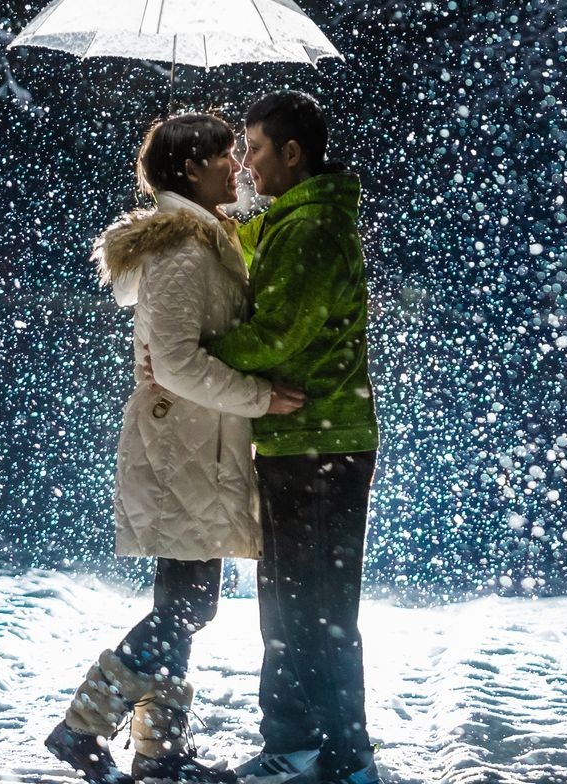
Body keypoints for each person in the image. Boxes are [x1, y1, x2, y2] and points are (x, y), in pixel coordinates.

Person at [46, 113, 305, 784]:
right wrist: (259, 395)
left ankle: (158, 752)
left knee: (181, 604)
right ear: (190, 169)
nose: (237, 167)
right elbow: (178, 362)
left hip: (194, 448)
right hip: (181, 451)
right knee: (189, 606)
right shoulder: (183, 250)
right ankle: (82, 726)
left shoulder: (201, 239)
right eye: (224, 157)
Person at [211, 92, 380, 784]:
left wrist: (195, 350)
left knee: (309, 606)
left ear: (291, 153)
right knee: (299, 601)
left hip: (317, 444)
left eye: (252, 149)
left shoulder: (310, 229)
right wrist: (234, 226)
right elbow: (274, 272)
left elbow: (278, 333)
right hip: (308, 441)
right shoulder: (301, 221)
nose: (244, 164)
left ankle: (326, 751)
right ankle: (317, 744)